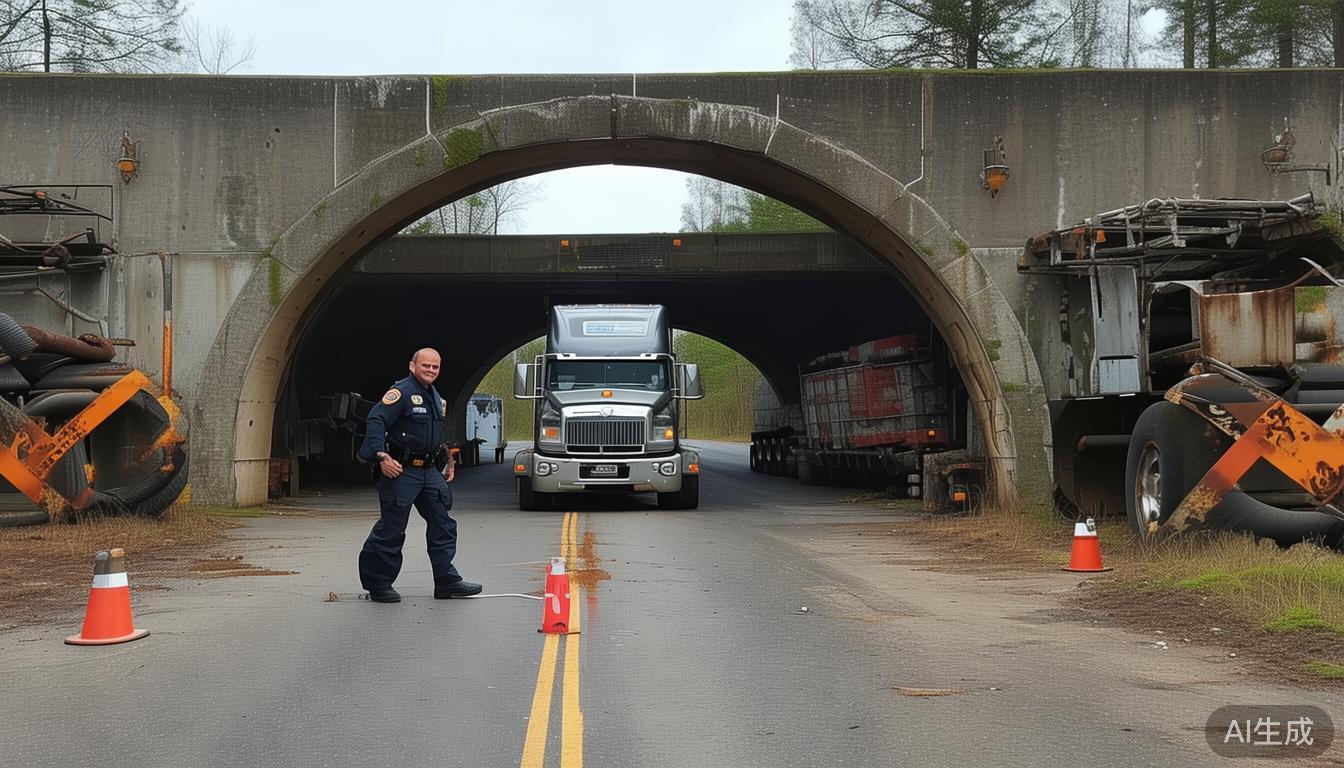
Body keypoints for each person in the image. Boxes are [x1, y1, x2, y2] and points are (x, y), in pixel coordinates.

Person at [357, 348, 482, 603]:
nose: (431, 370)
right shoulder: (401, 393)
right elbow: (375, 421)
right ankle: (378, 584)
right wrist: (381, 456)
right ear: (412, 366)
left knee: (443, 524)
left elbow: (437, 434)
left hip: (429, 472)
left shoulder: (435, 397)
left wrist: (449, 458)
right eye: (426, 365)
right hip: (401, 471)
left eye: (435, 367)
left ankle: (446, 581)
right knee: (392, 529)